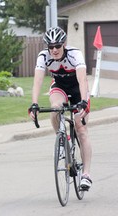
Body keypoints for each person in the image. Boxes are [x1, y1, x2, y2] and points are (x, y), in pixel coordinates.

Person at [28, 27, 92, 191]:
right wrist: (34, 104)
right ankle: (63, 139)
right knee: (55, 108)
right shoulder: (44, 57)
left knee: (81, 129)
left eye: (57, 46)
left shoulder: (74, 54)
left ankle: (85, 175)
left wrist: (84, 101)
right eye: (51, 47)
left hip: (78, 89)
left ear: (64, 44)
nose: (54, 50)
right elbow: (37, 81)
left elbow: (82, 79)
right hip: (60, 87)